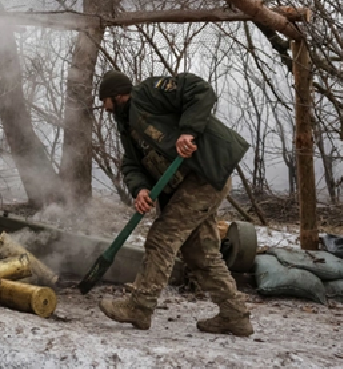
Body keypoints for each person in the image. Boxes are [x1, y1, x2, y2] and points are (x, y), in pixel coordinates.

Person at [97, 70, 253, 336]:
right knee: (199, 251)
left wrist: (188, 131)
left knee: (162, 236)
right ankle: (234, 315)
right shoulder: (126, 126)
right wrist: (141, 189)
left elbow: (199, 88)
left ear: (118, 94)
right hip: (186, 184)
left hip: (205, 172)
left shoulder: (149, 92)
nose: (105, 108)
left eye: (106, 101)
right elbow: (132, 164)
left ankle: (140, 306)